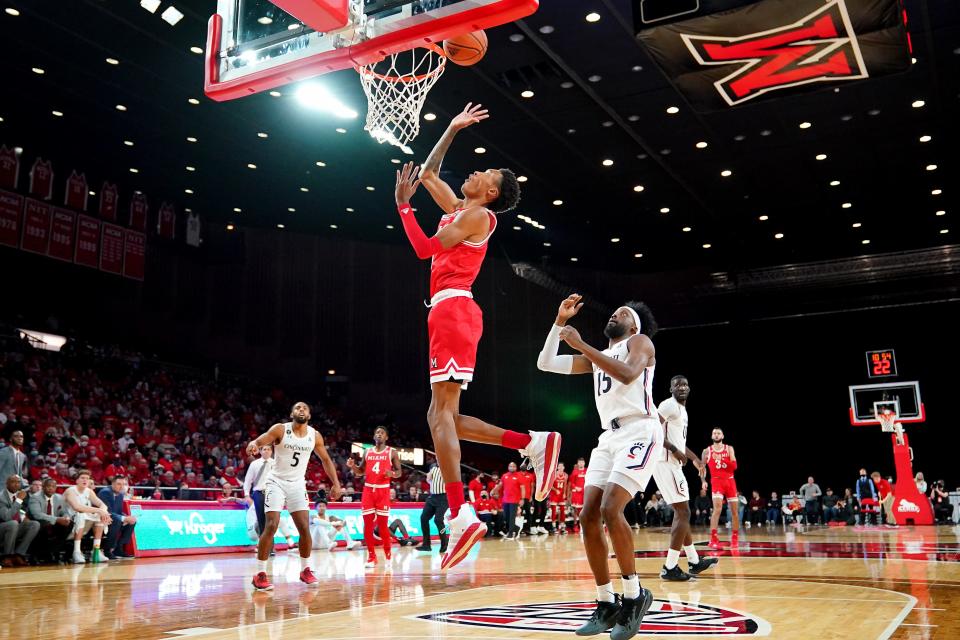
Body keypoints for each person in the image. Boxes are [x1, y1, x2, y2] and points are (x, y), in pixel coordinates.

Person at [393, 105, 562, 570]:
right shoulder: (459, 210)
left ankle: (460, 513)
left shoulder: (478, 219)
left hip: (453, 309)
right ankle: (529, 444)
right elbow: (429, 173)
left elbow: (424, 248)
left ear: (490, 192)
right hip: (447, 311)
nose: (474, 170)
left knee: (440, 414)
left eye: (483, 172)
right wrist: (449, 127)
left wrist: (404, 208)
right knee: (443, 417)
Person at [537, 293, 659, 639]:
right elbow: (545, 363)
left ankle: (635, 597)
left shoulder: (640, 341)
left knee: (610, 508)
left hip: (640, 428)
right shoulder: (598, 356)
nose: (613, 314)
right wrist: (559, 323)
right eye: (614, 310)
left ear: (632, 323)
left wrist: (582, 345)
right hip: (609, 437)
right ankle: (606, 602)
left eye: (621, 313)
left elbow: (627, 374)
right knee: (587, 515)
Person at [245, 402, 343, 590]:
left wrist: (336, 484)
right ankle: (260, 574)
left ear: (309, 415)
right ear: (292, 413)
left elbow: (326, 460)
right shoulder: (281, 429)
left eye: (305, 408)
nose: (301, 410)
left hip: (298, 484)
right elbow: (263, 439)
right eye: (297, 408)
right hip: (276, 482)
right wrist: (254, 443)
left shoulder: (314, 435)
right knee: (271, 525)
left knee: (304, 528)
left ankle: (305, 570)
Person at [654, 375, 716, 581]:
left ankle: (693, 560)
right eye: (677, 384)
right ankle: (669, 567)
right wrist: (674, 450)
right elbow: (652, 431)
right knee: (683, 511)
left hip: (672, 463)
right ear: (670, 388)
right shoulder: (668, 405)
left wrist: (696, 459)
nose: (682, 387)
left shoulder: (682, 410)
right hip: (664, 462)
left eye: (685, 384)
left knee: (682, 513)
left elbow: (679, 444)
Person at [347, 427, 402, 568]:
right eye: (377, 432)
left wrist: (392, 474)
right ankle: (372, 557)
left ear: (386, 437)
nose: (379, 434)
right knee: (368, 525)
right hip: (368, 491)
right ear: (374, 436)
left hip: (383, 492)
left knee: (383, 525)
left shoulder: (392, 452)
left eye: (382, 433)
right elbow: (360, 472)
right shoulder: (367, 452)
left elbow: (399, 472)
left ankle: (388, 554)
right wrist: (353, 467)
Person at [62, 469, 112, 564]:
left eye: (87, 478)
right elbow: (77, 507)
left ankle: (96, 550)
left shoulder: (89, 491)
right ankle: (76, 552)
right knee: (81, 515)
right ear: (77, 480)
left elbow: (102, 504)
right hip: (68, 517)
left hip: (84, 516)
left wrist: (104, 513)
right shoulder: (70, 491)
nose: (85, 480)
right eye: (82, 478)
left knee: (99, 516)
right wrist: (99, 510)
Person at [702, 428, 740, 549]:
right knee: (717, 509)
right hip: (716, 481)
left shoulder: (729, 448)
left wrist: (722, 459)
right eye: (714, 433)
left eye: (718, 433)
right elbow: (702, 468)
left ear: (722, 435)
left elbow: (734, 466)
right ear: (711, 435)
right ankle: (713, 538)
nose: (716, 435)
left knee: (734, 511)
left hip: (730, 481)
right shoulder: (706, 451)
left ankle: (735, 538)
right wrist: (703, 481)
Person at [26, 477, 71, 563]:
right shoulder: (35, 497)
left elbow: (65, 512)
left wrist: (66, 518)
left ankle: (53, 551)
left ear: (55, 488)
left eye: (53, 486)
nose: (51, 488)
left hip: (54, 522)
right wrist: (57, 519)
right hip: (39, 522)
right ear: (43, 487)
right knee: (43, 524)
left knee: (69, 524)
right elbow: (37, 515)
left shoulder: (59, 497)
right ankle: (39, 554)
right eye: (48, 486)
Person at [1, 474, 39, 566]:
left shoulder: (20, 494)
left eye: (18, 482)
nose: (16, 485)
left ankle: (19, 554)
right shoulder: (1, 497)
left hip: (14, 527)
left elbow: (21, 510)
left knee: (34, 524)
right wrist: (18, 500)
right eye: (13, 482)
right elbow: (6, 517)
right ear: (7, 484)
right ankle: (7, 556)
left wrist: (22, 516)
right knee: (13, 523)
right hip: (2, 528)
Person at [97, 476, 137, 559]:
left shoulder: (120, 494)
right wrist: (123, 518)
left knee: (131, 522)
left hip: (113, 518)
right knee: (117, 521)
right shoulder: (105, 492)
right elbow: (107, 512)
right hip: (101, 518)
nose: (122, 486)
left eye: (124, 484)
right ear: (112, 484)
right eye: (119, 484)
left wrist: (127, 517)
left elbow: (118, 512)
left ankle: (118, 548)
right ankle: (107, 550)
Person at [415, 462, 449, 554]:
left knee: (438, 520)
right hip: (432, 496)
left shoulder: (447, 466)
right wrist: (428, 477)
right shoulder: (433, 467)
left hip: (443, 497)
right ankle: (426, 545)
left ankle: (444, 545)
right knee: (423, 518)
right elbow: (429, 480)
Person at [243, 444, 274, 538]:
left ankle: (271, 547)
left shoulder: (275, 464)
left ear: (271, 451)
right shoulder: (254, 464)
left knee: (271, 520)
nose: (267, 451)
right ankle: (263, 545)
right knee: (261, 519)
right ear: (260, 451)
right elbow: (248, 480)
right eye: (264, 449)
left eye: (269, 449)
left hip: (272, 493)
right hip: (258, 493)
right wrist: (246, 494)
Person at [495, 461, 526, 539]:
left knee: (512, 517)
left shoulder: (519, 476)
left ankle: (510, 534)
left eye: (513, 466)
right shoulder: (504, 476)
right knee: (506, 517)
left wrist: (522, 499)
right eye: (510, 466)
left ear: (516, 467)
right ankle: (516, 528)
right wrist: (494, 490)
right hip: (505, 500)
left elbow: (523, 488)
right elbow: (500, 485)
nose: (512, 467)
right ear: (508, 467)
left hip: (514, 500)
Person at [569, 457, 587, 532]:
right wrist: (576, 487)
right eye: (579, 462)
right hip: (577, 494)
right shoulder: (575, 471)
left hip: (585, 493)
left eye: (582, 462)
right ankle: (578, 525)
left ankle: (584, 525)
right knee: (578, 510)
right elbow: (571, 483)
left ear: (584, 463)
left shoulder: (587, 471)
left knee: (585, 510)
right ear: (578, 463)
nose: (581, 463)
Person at [549, 462, 568, 534]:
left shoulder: (566, 475)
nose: (560, 468)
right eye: (559, 466)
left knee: (562, 510)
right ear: (557, 467)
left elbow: (565, 485)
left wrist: (564, 493)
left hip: (561, 495)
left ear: (563, 467)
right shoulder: (553, 474)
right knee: (553, 510)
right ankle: (553, 526)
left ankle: (562, 526)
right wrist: (555, 490)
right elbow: (550, 485)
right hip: (554, 494)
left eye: (561, 466)